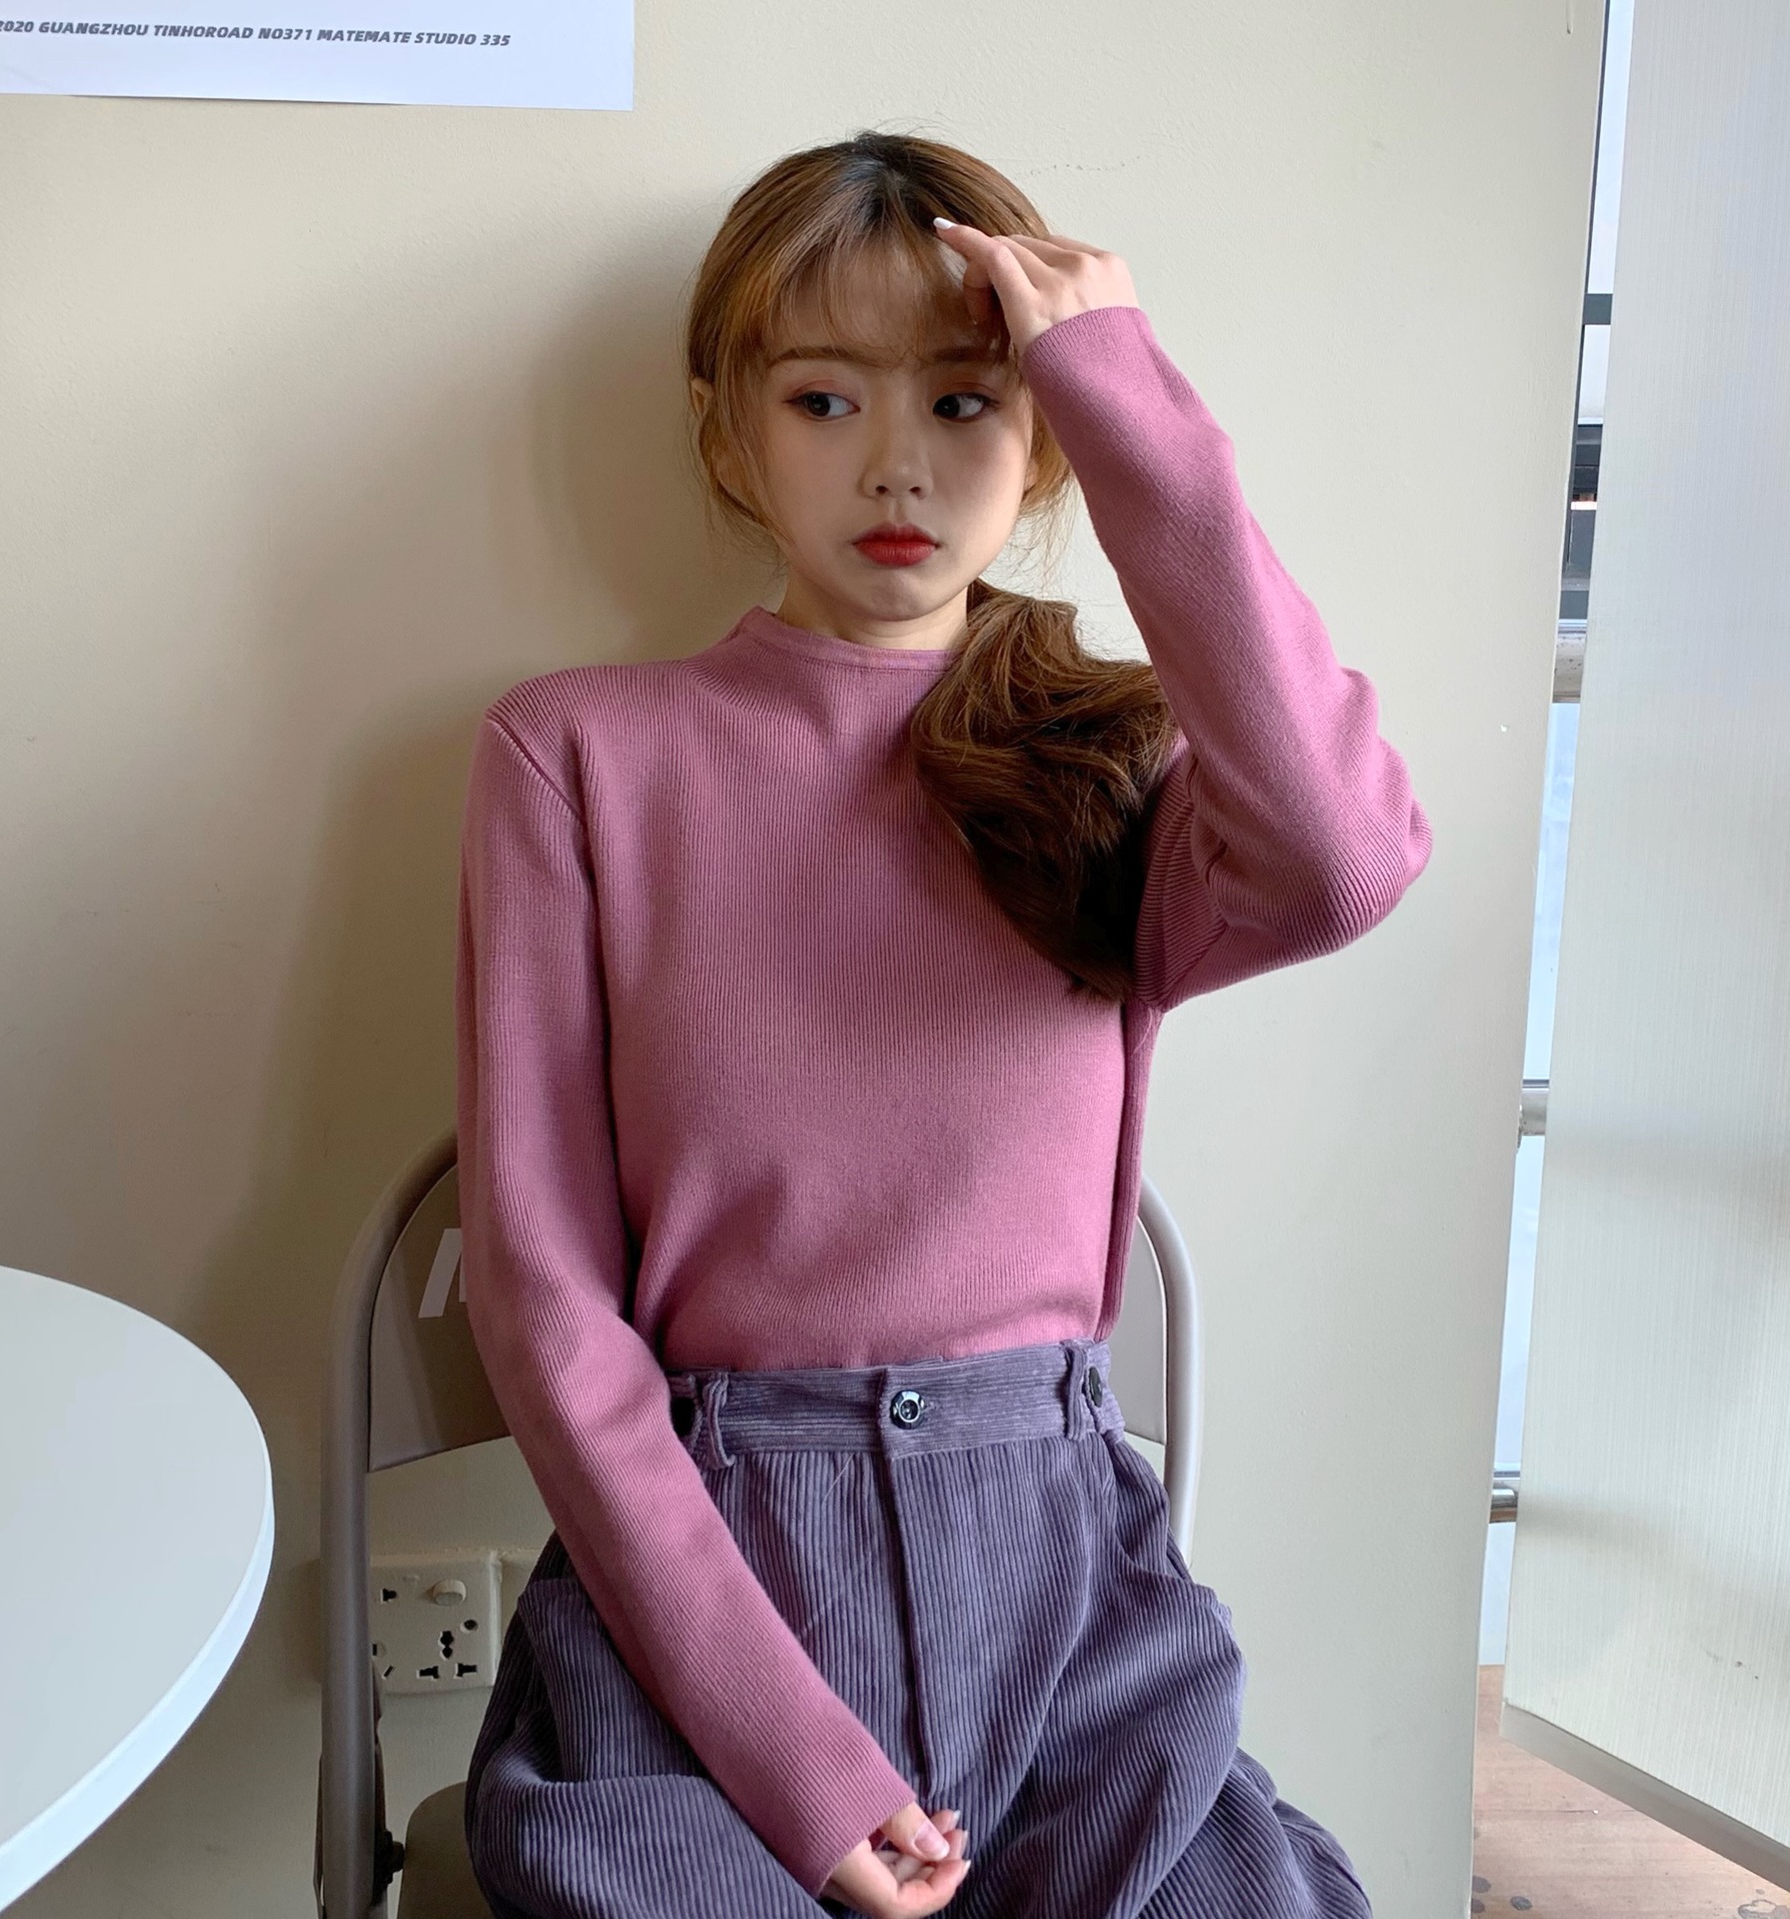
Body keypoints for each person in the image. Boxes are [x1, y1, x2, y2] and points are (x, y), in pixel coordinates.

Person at [454, 130, 1431, 1919]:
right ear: (726, 434)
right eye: (823, 401)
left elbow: (1346, 858)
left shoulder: (1111, 759)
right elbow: (544, 1297)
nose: (897, 462)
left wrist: (1125, 397)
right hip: (708, 1597)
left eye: (968, 402)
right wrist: (801, 1769)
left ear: (1043, 438)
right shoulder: (577, 756)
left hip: (1068, 1606)